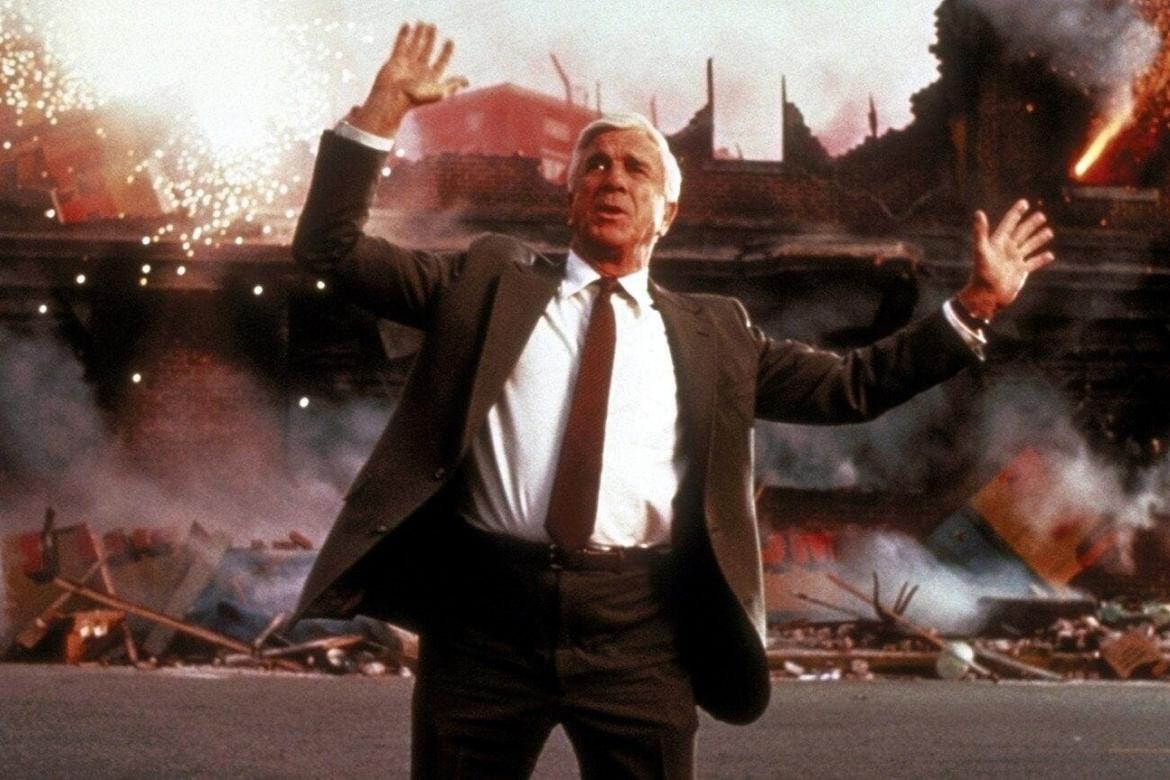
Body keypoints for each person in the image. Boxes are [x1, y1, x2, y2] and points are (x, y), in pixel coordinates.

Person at [290, 22, 1055, 779]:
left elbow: (854, 386)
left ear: (667, 211)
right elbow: (331, 248)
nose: (613, 178)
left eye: (636, 168)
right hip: (483, 624)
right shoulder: (489, 285)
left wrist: (976, 305)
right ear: (570, 199)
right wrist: (382, 110)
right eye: (594, 165)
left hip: (638, 635)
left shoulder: (715, 335)